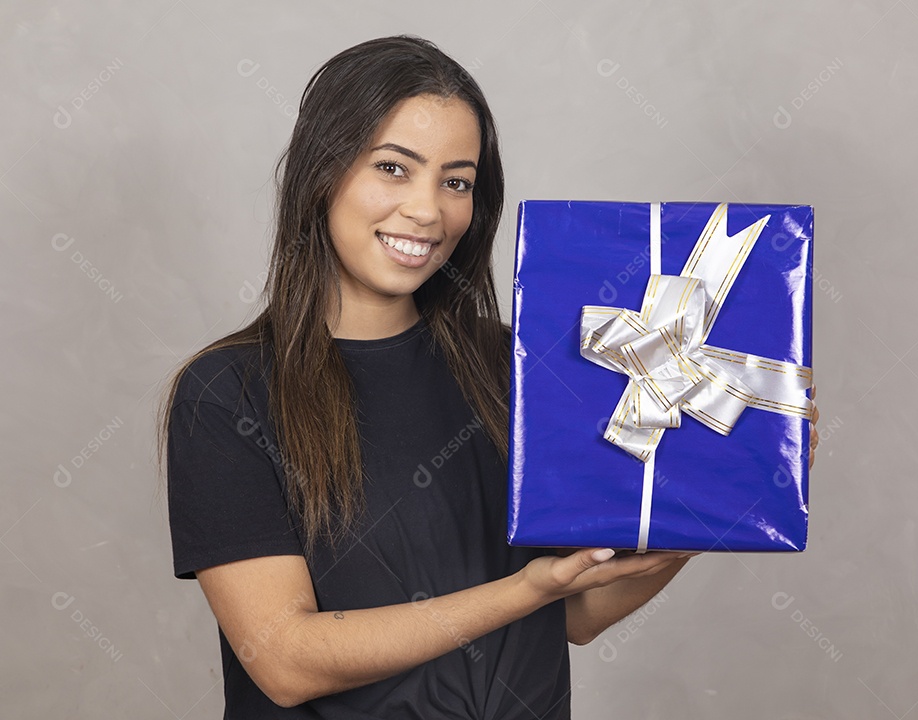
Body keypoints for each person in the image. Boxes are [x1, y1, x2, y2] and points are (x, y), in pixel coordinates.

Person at [156, 35, 819, 718]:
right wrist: (528, 590)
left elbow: (578, 611)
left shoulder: (520, 366)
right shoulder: (227, 394)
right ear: (321, 173)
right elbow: (286, 661)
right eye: (393, 168)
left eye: (457, 182)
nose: (428, 210)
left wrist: (720, 492)